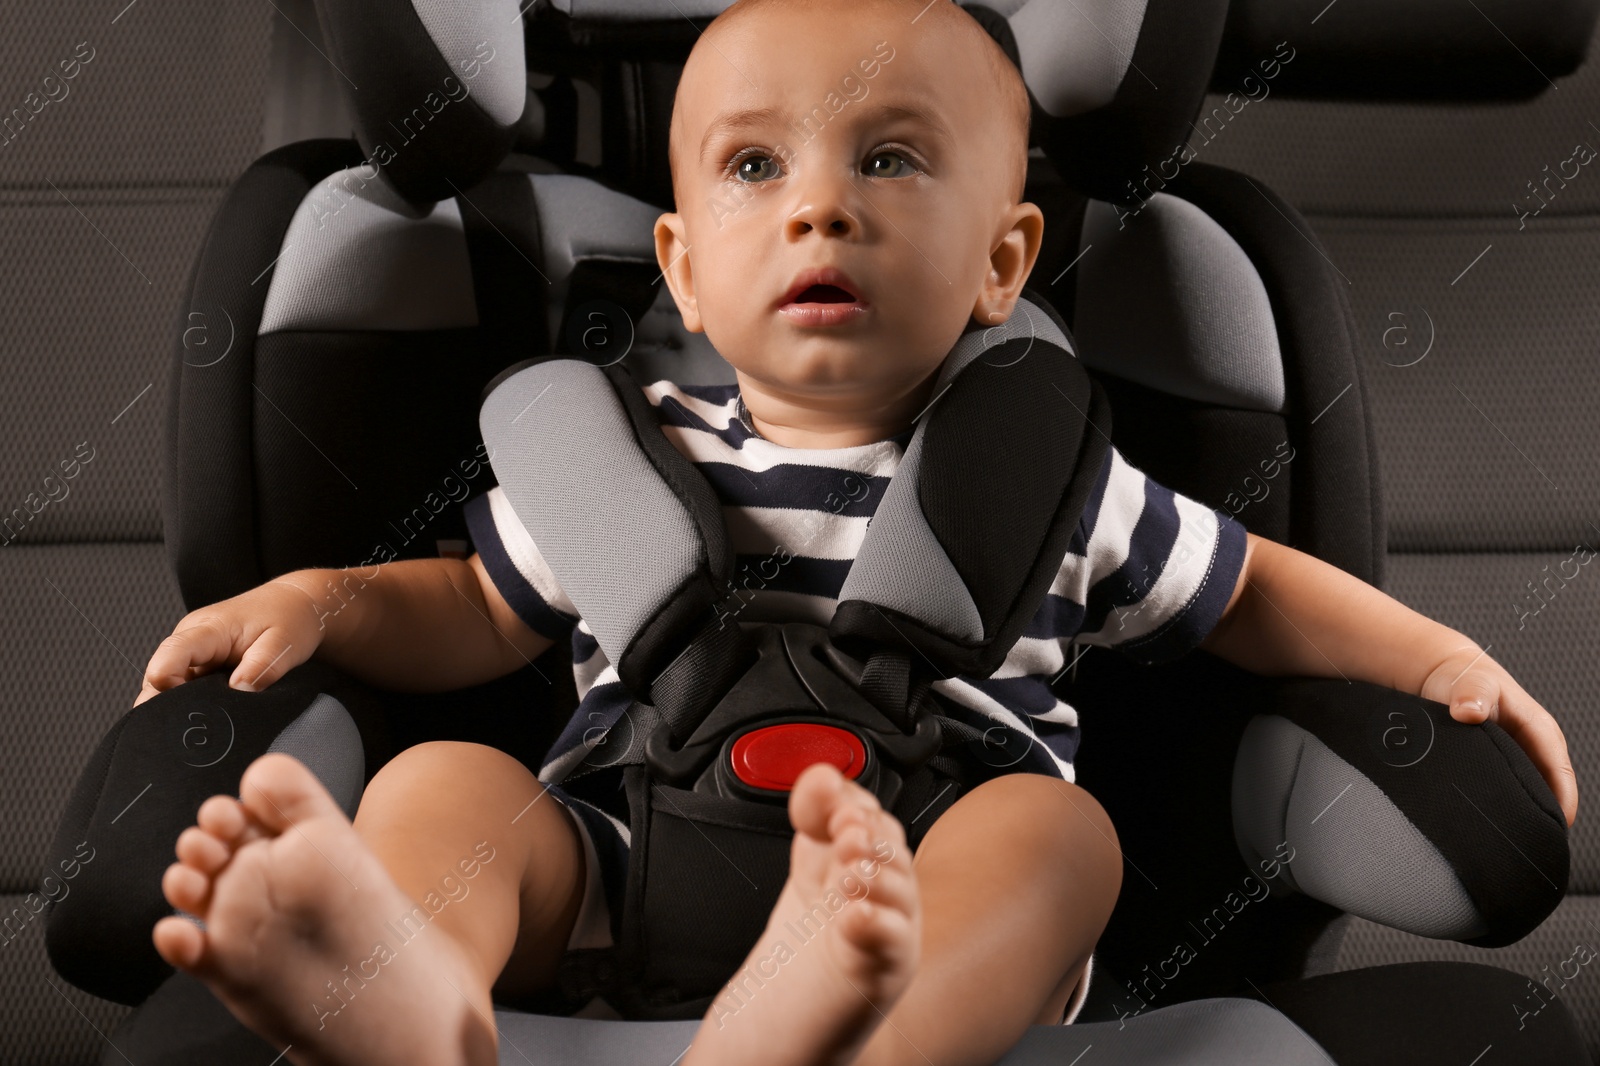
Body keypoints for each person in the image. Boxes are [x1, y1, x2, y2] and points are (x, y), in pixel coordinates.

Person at [137, 1, 1580, 1064]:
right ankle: (414, 991)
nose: (821, 205)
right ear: (685, 272)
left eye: (890, 160)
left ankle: (862, 1042)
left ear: (1005, 258)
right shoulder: (623, 455)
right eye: (757, 170)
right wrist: (326, 597)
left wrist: (1436, 651)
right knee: (454, 784)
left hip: (933, 863)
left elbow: (1253, 589)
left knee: (1056, 832)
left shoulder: (1064, 482)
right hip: (623, 870)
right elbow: (471, 608)